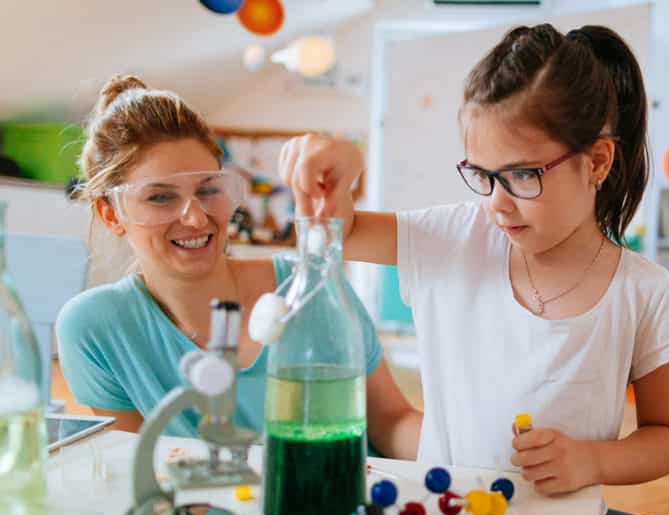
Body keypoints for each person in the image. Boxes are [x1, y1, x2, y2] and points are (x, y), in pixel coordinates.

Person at [279, 24, 669, 515]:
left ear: (597, 161)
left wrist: (593, 461)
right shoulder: (453, 238)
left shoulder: (642, 290)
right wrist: (343, 164)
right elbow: (332, 228)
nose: (497, 203)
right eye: (483, 174)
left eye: (523, 175)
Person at [55, 76, 422, 459]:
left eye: (209, 189)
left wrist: (472, 452)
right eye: (161, 197)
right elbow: (140, 471)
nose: (196, 219)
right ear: (111, 213)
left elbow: (392, 422)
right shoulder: (95, 329)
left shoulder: (311, 287)